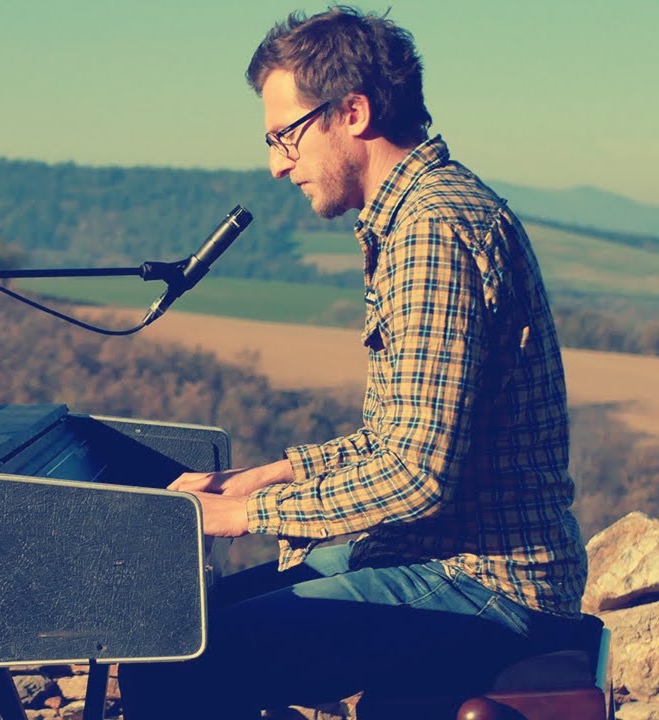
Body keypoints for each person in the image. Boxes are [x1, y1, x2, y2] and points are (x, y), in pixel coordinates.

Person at [118, 7, 589, 719]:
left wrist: (243, 514)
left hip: (491, 583)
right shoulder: (417, 216)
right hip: (445, 555)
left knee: (189, 661)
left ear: (353, 113)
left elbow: (416, 476)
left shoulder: (432, 231)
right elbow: (396, 439)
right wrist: (266, 474)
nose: (277, 163)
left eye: (284, 136)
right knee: (187, 626)